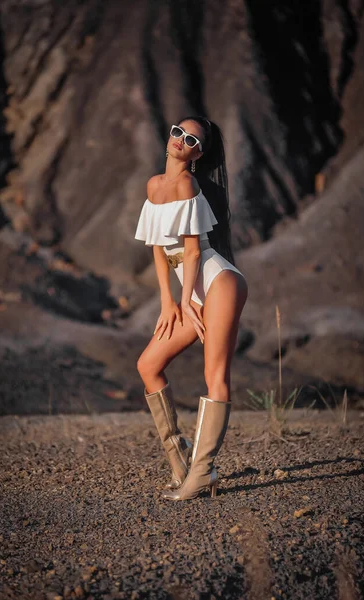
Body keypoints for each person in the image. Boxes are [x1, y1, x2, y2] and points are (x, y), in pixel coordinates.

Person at [134, 116, 248, 501]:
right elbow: (158, 248)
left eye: (193, 140)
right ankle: (181, 462)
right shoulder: (154, 185)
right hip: (189, 291)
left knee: (214, 373)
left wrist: (185, 301)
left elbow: (194, 249)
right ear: (168, 136)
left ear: (199, 154)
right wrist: (168, 301)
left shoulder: (187, 183)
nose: (182, 141)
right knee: (148, 365)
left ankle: (202, 473)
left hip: (218, 282)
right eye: (178, 132)